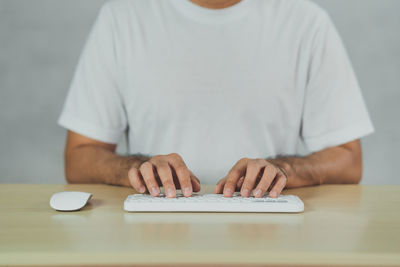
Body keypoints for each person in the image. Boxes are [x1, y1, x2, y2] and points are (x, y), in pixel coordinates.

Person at [59, 0, 374, 199]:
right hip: (153, 238)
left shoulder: (307, 21)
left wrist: (283, 170)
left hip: (271, 241)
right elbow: (79, 157)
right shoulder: (121, 18)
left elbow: (348, 159)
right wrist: (137, 169)